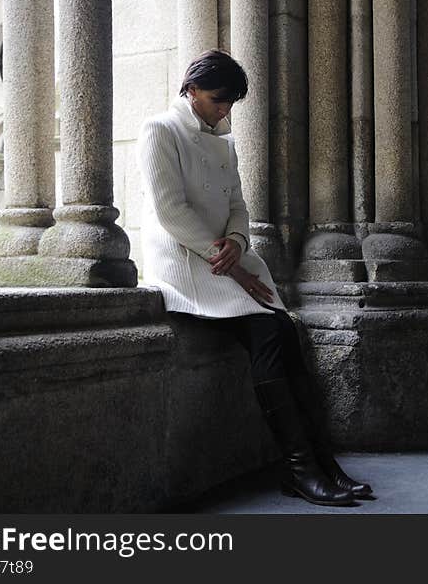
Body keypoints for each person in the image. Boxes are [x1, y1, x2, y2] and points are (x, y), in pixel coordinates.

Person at [137, 49, 372, 507]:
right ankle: (301, 469)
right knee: (269, 329)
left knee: (284, 330)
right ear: (191, 89)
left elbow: (240, 208)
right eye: (218, 98)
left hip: (227, 258)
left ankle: (322, 464)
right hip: (187, 265)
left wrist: (239, 245)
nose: (224, 108)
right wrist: (223, 258)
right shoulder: (159, 130)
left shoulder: (224, 144)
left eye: (231, 102)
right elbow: (169, 209)